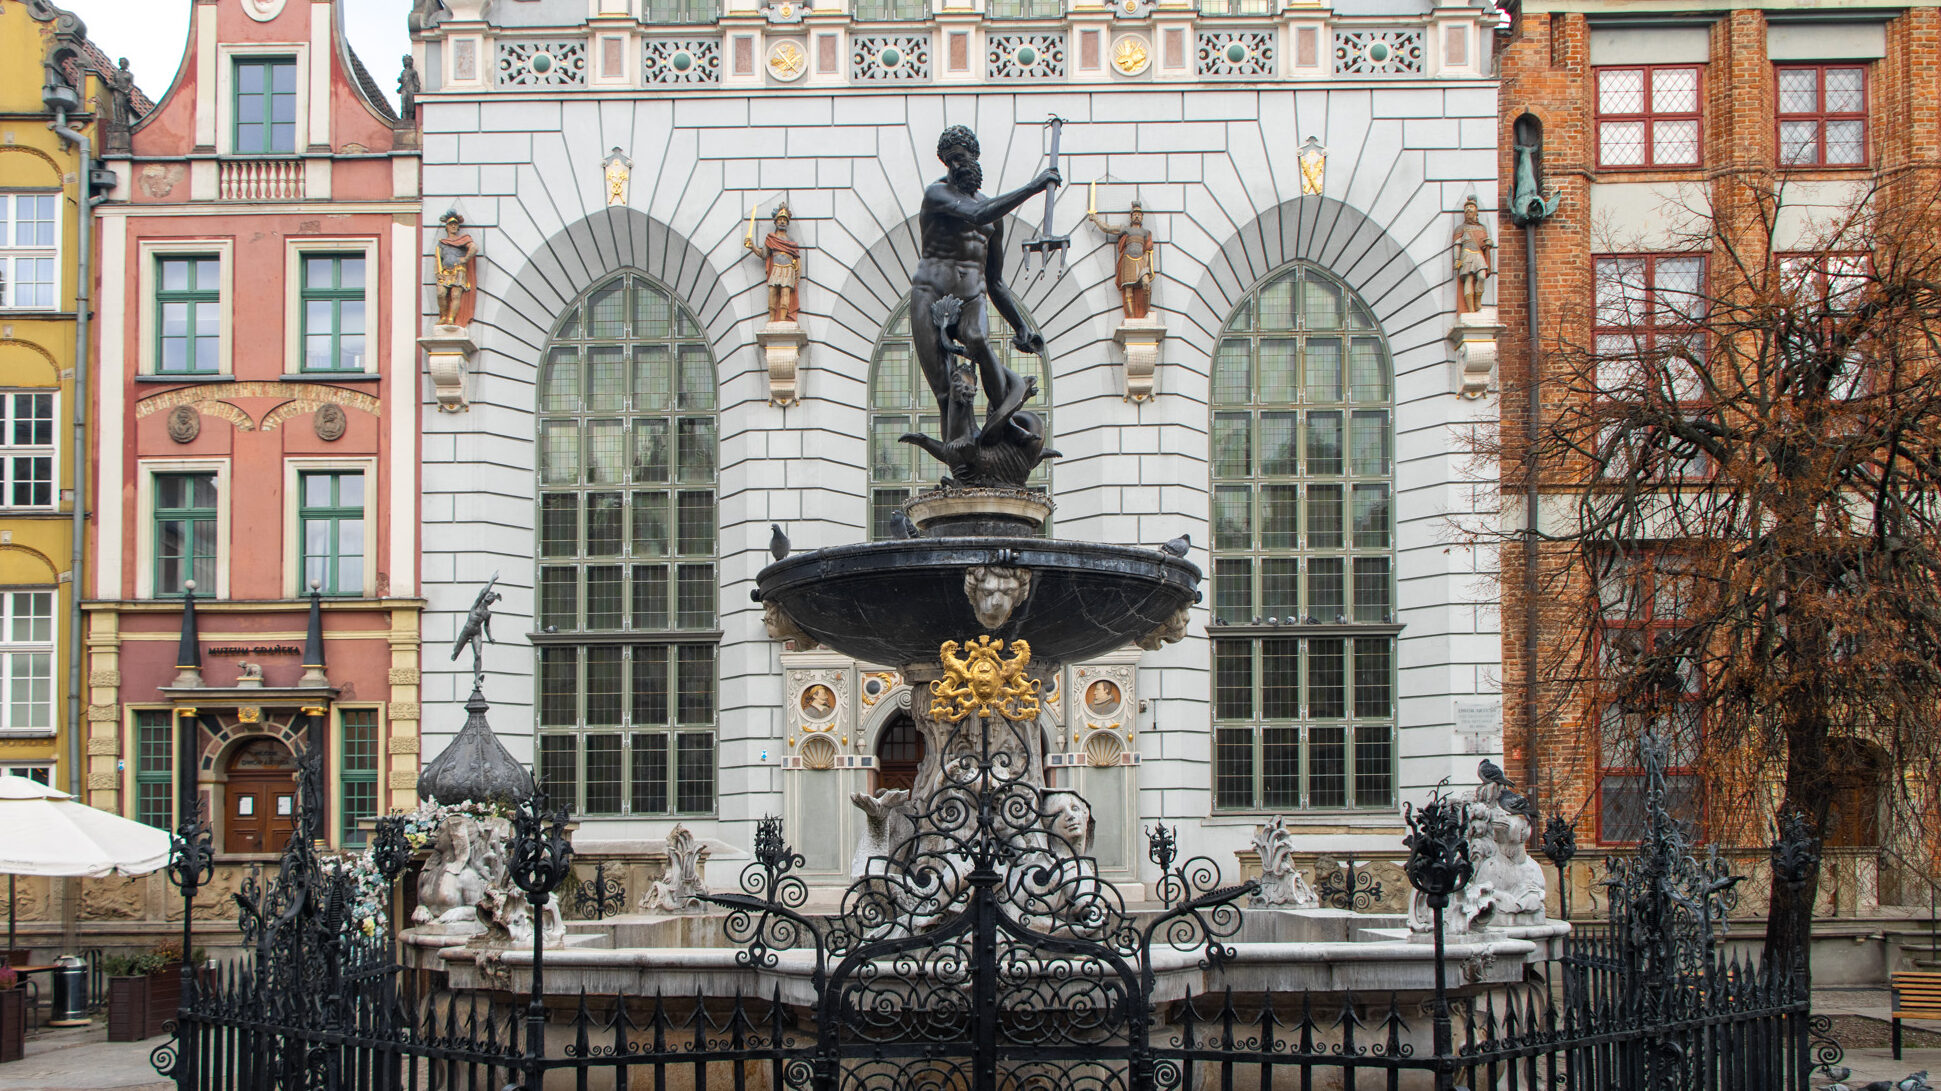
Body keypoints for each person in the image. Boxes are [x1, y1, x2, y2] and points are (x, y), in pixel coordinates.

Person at [912, 126, 1061, 448]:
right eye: (949, 161)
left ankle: (1003, 422)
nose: (956, 167)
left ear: (975, 158)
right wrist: (1034, 187)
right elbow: (978, 213)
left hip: (972, 296)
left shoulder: (996, 217)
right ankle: (961, 455)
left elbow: (994, 280)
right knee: (944, 391)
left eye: (961, 159)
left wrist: (1022, 327)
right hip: (930, 294)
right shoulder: (937, 195)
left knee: (978, 338)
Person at [1087, 201, 1157, 319]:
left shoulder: (1145, 233)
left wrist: (1147, 266)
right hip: (1128, 260)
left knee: (1146, 283)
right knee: (1128, 289)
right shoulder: (1126, 229)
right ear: (1131, 216)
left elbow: (1147, 251)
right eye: (1135, 214)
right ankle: (1131, 317)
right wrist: (1095, 219)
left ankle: (1147, 311)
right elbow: (1107, 228)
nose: (1137, 216)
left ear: (1142, 217)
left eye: (1139, 214)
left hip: (1141, 261)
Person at [745, 206, 803, 323]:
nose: (782, 222)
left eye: (785, 220)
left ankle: (782, 319)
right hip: (776, 268)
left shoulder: (791, 241)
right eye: (780, 219)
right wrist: (752, 247)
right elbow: (764, 254)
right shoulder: (771, 238)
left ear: (787, 223)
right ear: (775, 221)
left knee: (785, 293)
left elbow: (797, 258)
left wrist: (797, 272)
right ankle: (772, 319)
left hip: (788, 269)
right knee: (773, 292)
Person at [435, 211, 479, 326]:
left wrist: (465, 259)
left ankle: (451, 318)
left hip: (458, 270)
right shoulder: (442, 243)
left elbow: (473, 248)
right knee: (441, 293)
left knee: (455, 295)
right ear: (447, 227)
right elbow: (438, 258)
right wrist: (438, 272)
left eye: (455, 224)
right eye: (451, 224)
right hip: (445, 271)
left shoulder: (463, 239)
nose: (454, 226)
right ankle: (444, 316)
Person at [1451, 197, 1494, 314]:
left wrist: (1488, 243)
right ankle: (1470, 309)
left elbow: (1484, 242)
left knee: (1481, 276)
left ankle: (1477, 302)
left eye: (1471, 207)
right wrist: (1456, 259)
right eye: (1466, 208)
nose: (1468, 210)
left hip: (1478, 254)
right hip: (1467, 254)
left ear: (1476, 210)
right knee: (1469, 278)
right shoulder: (1460, 228)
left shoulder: (1481, 227)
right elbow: (1457, 244)